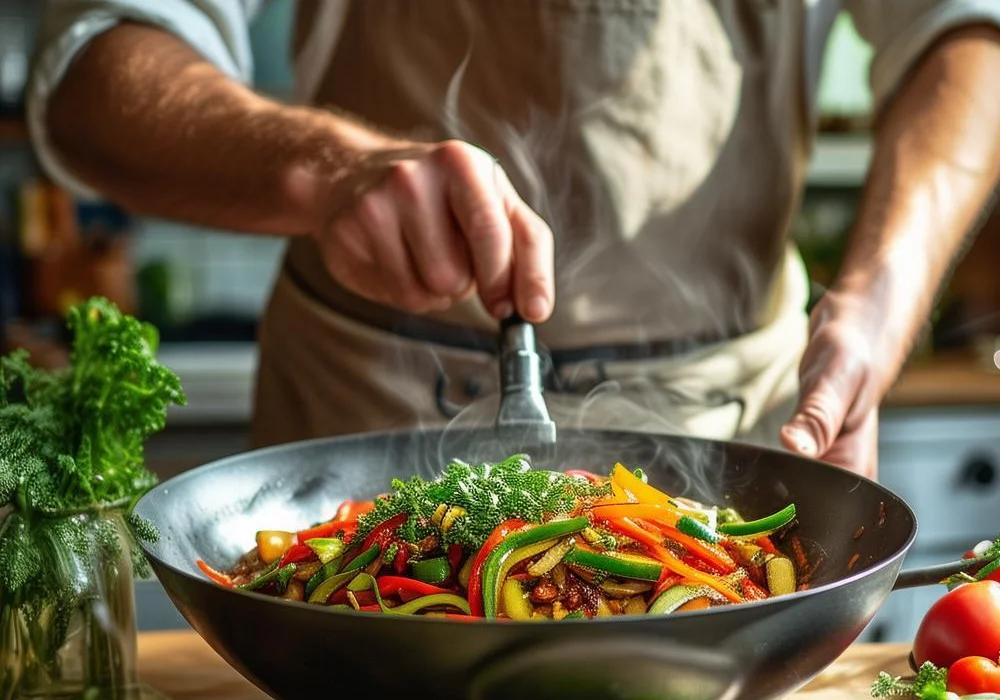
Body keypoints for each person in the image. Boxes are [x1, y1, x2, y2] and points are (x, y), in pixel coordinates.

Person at [28, 1, 1000, 479]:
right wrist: (324, 168)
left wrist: (886, 290)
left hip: (733, 430)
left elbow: (966, 34)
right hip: (367, 425)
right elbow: (91, 67)